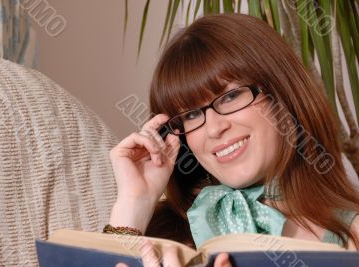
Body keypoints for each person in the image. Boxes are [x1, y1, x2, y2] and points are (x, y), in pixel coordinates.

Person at [107, 13, 359, 266]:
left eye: (230, 97)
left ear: (282, 93)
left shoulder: (352, 237)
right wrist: (134, 203)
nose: (214, 129)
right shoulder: (163, 235)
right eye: (192, 114)